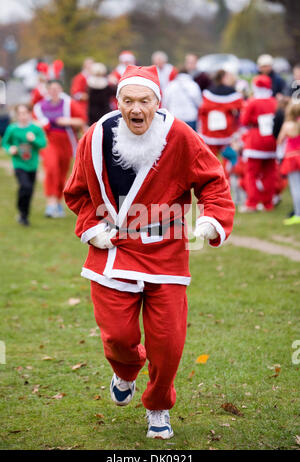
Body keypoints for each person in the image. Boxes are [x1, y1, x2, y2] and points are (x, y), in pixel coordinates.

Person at [64, 65, 235, 439]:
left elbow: (214, 182)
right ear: (119, 101)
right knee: (117, 336)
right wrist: (92, 229)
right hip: (114, 249)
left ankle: (158, 405)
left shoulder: (180, 136)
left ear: (157, 103)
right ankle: (126, 370)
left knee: (169, 342)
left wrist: (212, 220)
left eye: (144, 101)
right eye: (128, 101)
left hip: (167, 252)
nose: (136, 108)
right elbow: (76, 192)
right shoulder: (96, 137)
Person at [34, 79, 86, 218]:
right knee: (51, 168)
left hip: (66, 142)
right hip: (48, 141)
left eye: (57, 88)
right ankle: (50, 203)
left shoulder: (69, 103)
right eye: (51, 89)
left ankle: (58, 202)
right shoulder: (40, 106)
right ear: (48, 90)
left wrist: (67, 121)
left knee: (62, 172)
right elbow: (34, 123)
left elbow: (81, 120)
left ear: (61, 89)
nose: (54, 91)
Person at [2, 104, 47, 226]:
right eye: (20, 114)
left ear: (29, 114)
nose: (22, 116)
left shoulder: (35, 129)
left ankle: (24, 215)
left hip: (32, 165)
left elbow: (43, 144)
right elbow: (5, 143)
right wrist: (10, 148)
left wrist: (33, 140)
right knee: (25, 186)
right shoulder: (12, 129)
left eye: (25, 113)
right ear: (17, 115)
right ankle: (21, 210)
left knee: (29, 190)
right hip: (19, 164)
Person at [240, 75, 277, 212]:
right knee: (270, 172)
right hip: (271, 140)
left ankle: (252, 203)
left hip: (255, 139)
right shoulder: (274, 102)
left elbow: (244, 121)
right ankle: (268, 203)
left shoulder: (252, 102)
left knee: (251, 173)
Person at [199, 68, 243, 159]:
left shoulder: (208, 93)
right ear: (224, 78)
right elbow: (240, 109)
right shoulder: (233, 94)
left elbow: (202, 111)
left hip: (210, 130)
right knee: (226, 159)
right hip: (227, 131)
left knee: (211, 158)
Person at [277, 101, 300, 225]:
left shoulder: (287, 125)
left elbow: (280, 140)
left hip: (291, 158)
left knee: (296, 188)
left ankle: (297, 214)